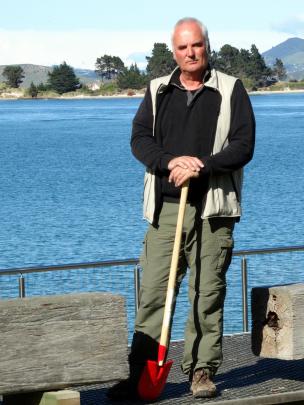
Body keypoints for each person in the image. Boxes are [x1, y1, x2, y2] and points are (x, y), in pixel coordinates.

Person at [108, 17, 255, 400]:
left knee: (207, 293)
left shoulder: (231, 89)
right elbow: (140, 139)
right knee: (155, 292)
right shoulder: (158, 90)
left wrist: (201, 165)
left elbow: (243, 146)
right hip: (166, 209)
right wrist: (171, 162)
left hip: (213, 209)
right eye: (183, 47)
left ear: (208, 46)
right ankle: (140, 371)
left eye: (197, 46)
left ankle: (201, 371)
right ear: (173, 51)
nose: (191, 53)